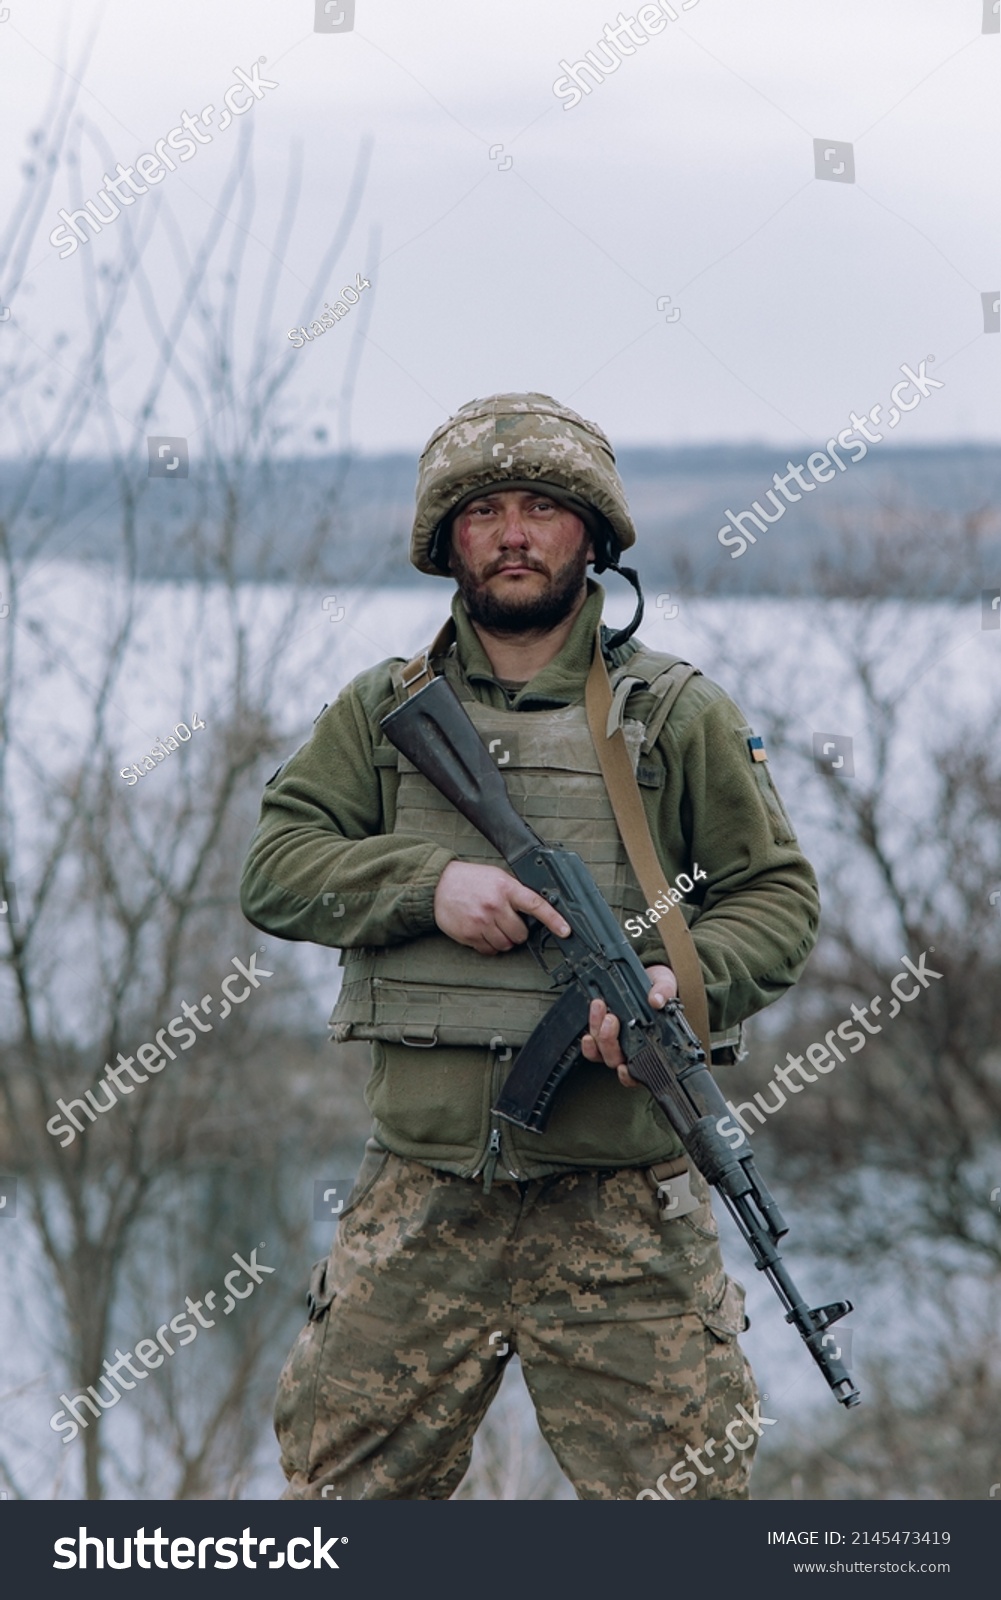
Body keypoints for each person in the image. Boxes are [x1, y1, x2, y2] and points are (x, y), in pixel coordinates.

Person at [240, 392, 819, 1501]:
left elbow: (774, 898)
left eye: (543, 507)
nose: (513, 533)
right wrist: (425, 884)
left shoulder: (675, 713)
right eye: (486, 510)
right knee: (339, 1504)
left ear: (590, 534)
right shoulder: (380, 712)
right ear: (445, 540)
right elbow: (276, 867)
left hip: (623, 1213)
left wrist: (673, 978)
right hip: (418, 1200)